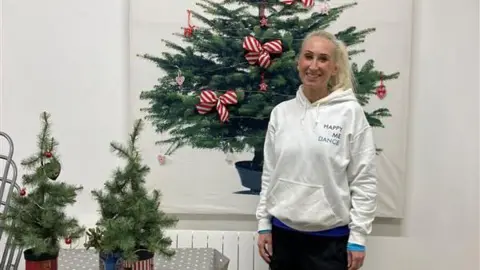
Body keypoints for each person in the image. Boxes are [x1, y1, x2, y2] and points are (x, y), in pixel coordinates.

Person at [255, 29, 378, 270]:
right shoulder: (281, 113)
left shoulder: (350, 113)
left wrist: (358, 238)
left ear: (334, 68)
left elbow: (364, 180)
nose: (313, 65)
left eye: (323, 59)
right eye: (308, 56)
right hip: (283, 237)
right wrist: (263, 224)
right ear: (298, 62)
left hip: (330, 241)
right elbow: (270, 173)